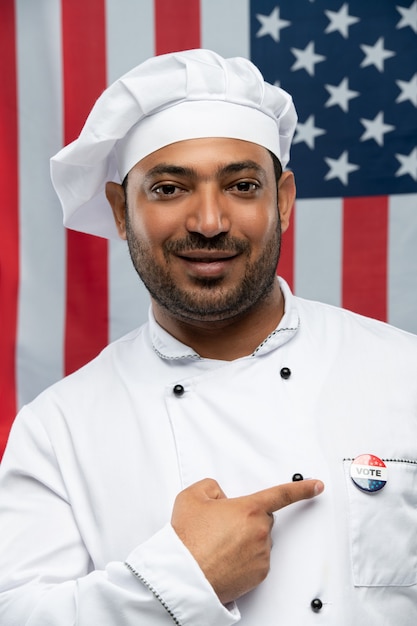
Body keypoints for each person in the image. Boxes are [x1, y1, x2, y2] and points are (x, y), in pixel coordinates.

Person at [0, 49, 416, 626]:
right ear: (121, 211)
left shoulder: (405, 375)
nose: (210, 221)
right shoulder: (58, 431)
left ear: (284, 201)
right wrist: (180, 580)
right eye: (169, 189)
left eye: (242, 185)